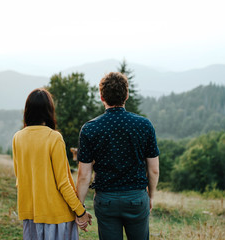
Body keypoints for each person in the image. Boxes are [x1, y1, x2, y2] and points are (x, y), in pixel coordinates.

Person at [76, 72, 160, 239]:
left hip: (106, 200)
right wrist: (149, 196)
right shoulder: (144, 125)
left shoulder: (90, 129)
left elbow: (84, 176)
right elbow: (154, 170)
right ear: (126, 95)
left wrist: (80, 209)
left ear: (101, 97)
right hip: (136, 198)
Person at [12, 88, 91, 240]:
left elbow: (19, 178)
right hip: (57, 217)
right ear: (49, 110)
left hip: (32, 215)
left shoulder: (18, 137)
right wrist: (80, 211)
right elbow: (63, 183)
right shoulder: (54, 138)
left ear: (27, 110)